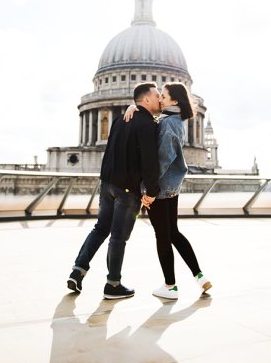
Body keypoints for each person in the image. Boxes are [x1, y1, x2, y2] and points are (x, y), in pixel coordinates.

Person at [67, 83, 161, 299]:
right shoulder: (147, 125)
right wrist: (152, 191)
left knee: (100, 229)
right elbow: (149, 162)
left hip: (108, 183)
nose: (159, 99)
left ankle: (77, 271)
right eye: (157, 95)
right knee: (118, 237)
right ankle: (113, 285)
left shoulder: (121, 119)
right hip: (128, 189)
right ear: (146, 99)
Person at [124, 83, 212, 300]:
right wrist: (132, 107)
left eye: (163, 96)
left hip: (160, 188)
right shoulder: (174, 120)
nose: (160, 99)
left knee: (162, 236)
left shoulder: (168, 123)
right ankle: (199, 275)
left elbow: (162, 160)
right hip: (172, 187)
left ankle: (170, 286)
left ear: (174, 101)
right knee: (173, 232)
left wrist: (149, 190)